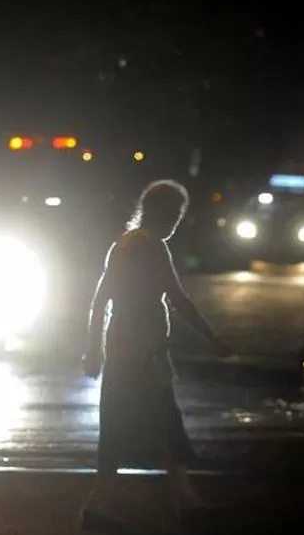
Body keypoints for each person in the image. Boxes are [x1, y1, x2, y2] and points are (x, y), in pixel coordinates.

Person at [80, 179, 228, 531]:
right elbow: (177, 298)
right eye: (175, 213)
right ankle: (183, 505)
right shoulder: (153, 247)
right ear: (160, 212)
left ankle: (104, 507)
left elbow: (101, 301)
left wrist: (94, 349)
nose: (177, 220)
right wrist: (212, 337)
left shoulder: (123, 245)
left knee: (121, 429)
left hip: (121, 353)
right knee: (167, 428)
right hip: (147, 357)